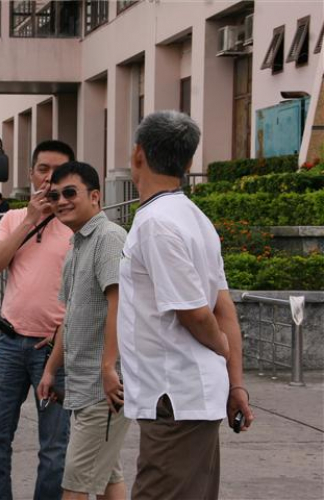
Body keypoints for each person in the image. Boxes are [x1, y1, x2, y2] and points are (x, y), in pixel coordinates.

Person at [118, 111, 254, 500]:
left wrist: (222, 352)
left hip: (174, 396)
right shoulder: (195, 218)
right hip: (186, 397)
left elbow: (196, 312)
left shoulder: (157, 223)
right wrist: (235, 381)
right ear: (190, 162)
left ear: (138, 154)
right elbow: (223, 307)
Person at [0, 140, 75, 500]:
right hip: (9, 344)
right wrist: (31, 220)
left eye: (58, 171)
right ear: (31, 174)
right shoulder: (15, 218)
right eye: (43, 170)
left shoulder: (80, 225)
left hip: (56, 351)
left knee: (55, 449)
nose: (49, 179)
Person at [37, 161, 130, 500]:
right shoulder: (77, 245)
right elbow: (70, 316)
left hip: (103, 389)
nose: (61, 200)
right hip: (85, 386)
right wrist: (50, 369)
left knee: (74, 487)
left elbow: (120, 304)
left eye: (70, 193)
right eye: (55, 195)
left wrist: (108, 368)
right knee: (107, 480)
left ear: (95, 196)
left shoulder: (108, 237)